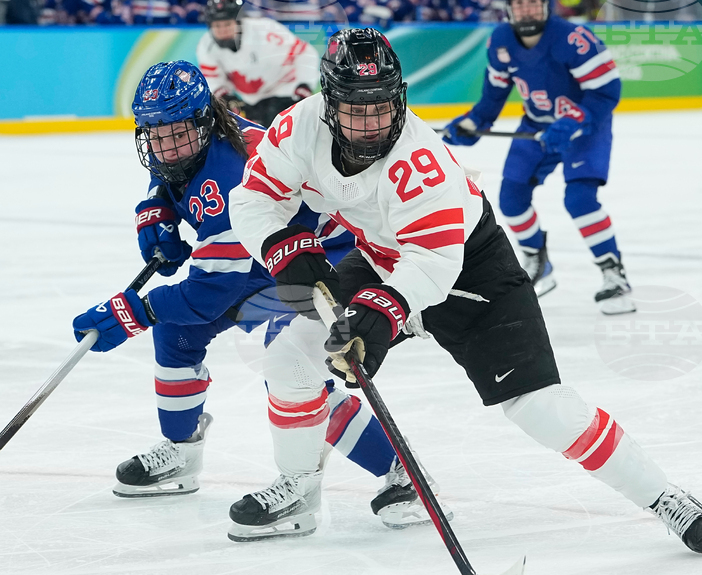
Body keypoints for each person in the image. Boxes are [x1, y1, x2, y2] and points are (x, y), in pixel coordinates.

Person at [229, 27, 702, 557]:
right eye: (357, 107)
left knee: (541, 409)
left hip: (470, 270)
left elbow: (435, 264)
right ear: (328, 104)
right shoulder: (298, 128)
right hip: (381, 257)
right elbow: (254, 198)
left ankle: (665, 498)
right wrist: (283, 247)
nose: (373, 122)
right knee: (290, 357)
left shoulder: (422, 162)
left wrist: (380, 314)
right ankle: (300, 489)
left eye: (383, 105)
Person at [71, 60, 445, 541]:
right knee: (176, 331)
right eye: (155, 135)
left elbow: (212, 291)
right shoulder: (193, 144)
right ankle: (181, 451)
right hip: (259, 262)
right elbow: (169, 175)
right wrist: (156, 213)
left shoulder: (233, 170)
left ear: (204, 121)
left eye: (177, 133)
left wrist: (132, 311)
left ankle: (399, 474)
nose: (166, 146)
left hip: (318, 261)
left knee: (291, 366)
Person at [442, 0, 634, 315]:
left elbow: (606, 91)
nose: (527, 11)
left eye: (533, 3)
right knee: (511, 199)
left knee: (580, 199)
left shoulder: (574, 39)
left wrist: (574, 121)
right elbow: (493, 96)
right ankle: (537, 262)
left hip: (586, 127)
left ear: (545, 6)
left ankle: (613, 271)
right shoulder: (501, 40)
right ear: (508, 9)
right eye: (519, 4)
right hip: (536, 127)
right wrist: (471, 123)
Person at [196, 0, 319, 128]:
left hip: (285, 90)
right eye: (217, 26)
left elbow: (305, 53)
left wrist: (304, 86)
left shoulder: (265, 30)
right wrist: (226, 97)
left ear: (238, 22)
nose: (223, 30)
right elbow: (214, 80)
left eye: (227, 24)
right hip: (249, 101)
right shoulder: (205, 46)